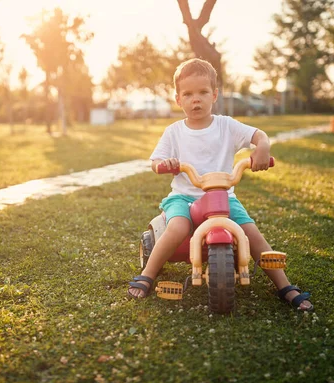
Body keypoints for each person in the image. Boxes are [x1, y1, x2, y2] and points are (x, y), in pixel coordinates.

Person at [127, 58, 313, 311]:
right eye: (188, 94)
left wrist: (263, 147)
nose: (196, 99)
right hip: (184, 196)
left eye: (203, 92)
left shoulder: (226, 125)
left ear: (214, 95)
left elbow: (258, 135)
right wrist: (165, 163)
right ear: (178, 99)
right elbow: (155, 161)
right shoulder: (174, 132)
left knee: (251, 232)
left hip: (223, 198)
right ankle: (148, 274)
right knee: (178, 226)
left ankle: (285, 286)